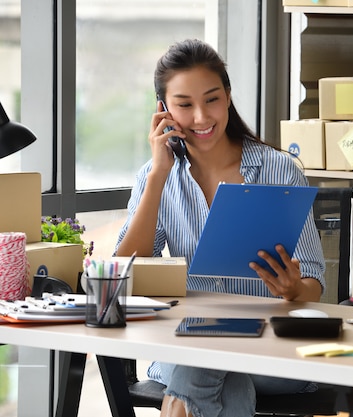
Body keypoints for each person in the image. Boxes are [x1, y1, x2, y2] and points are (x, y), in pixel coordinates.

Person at [114, 38, 326, 417]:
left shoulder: (279, 169)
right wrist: (160, 174)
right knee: (226, 378)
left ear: (228, 97)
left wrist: (294, 289)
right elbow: (125, 269)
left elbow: (313, 284)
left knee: (206, 363)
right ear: (163, 110)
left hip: (270, 351)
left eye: (211, 99)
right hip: (187, 346)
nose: (200, 117)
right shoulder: (155, 176)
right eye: (184, 105)